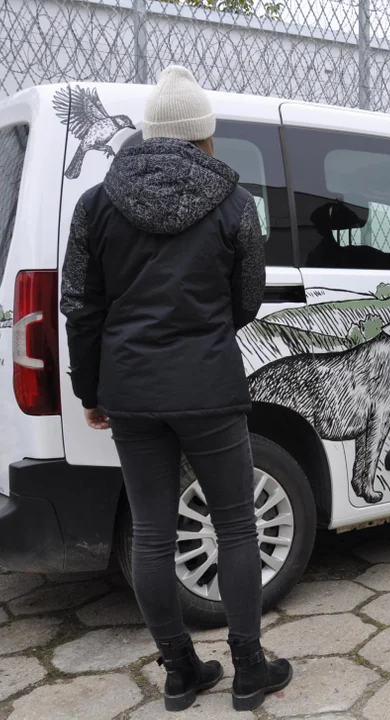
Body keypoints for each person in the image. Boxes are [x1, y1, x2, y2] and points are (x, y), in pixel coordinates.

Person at [59, 65, 291, 713]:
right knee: (237, 526)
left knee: (155, 533)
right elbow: (247, 299)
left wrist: (91, 391)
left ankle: (181, 671)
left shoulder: (96, 203)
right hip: (210, 385)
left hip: (130, 392)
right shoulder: (236, 203)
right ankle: (249, 669)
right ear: (204, 136)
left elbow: (81, 305)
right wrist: (205, 332)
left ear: (149, 132)